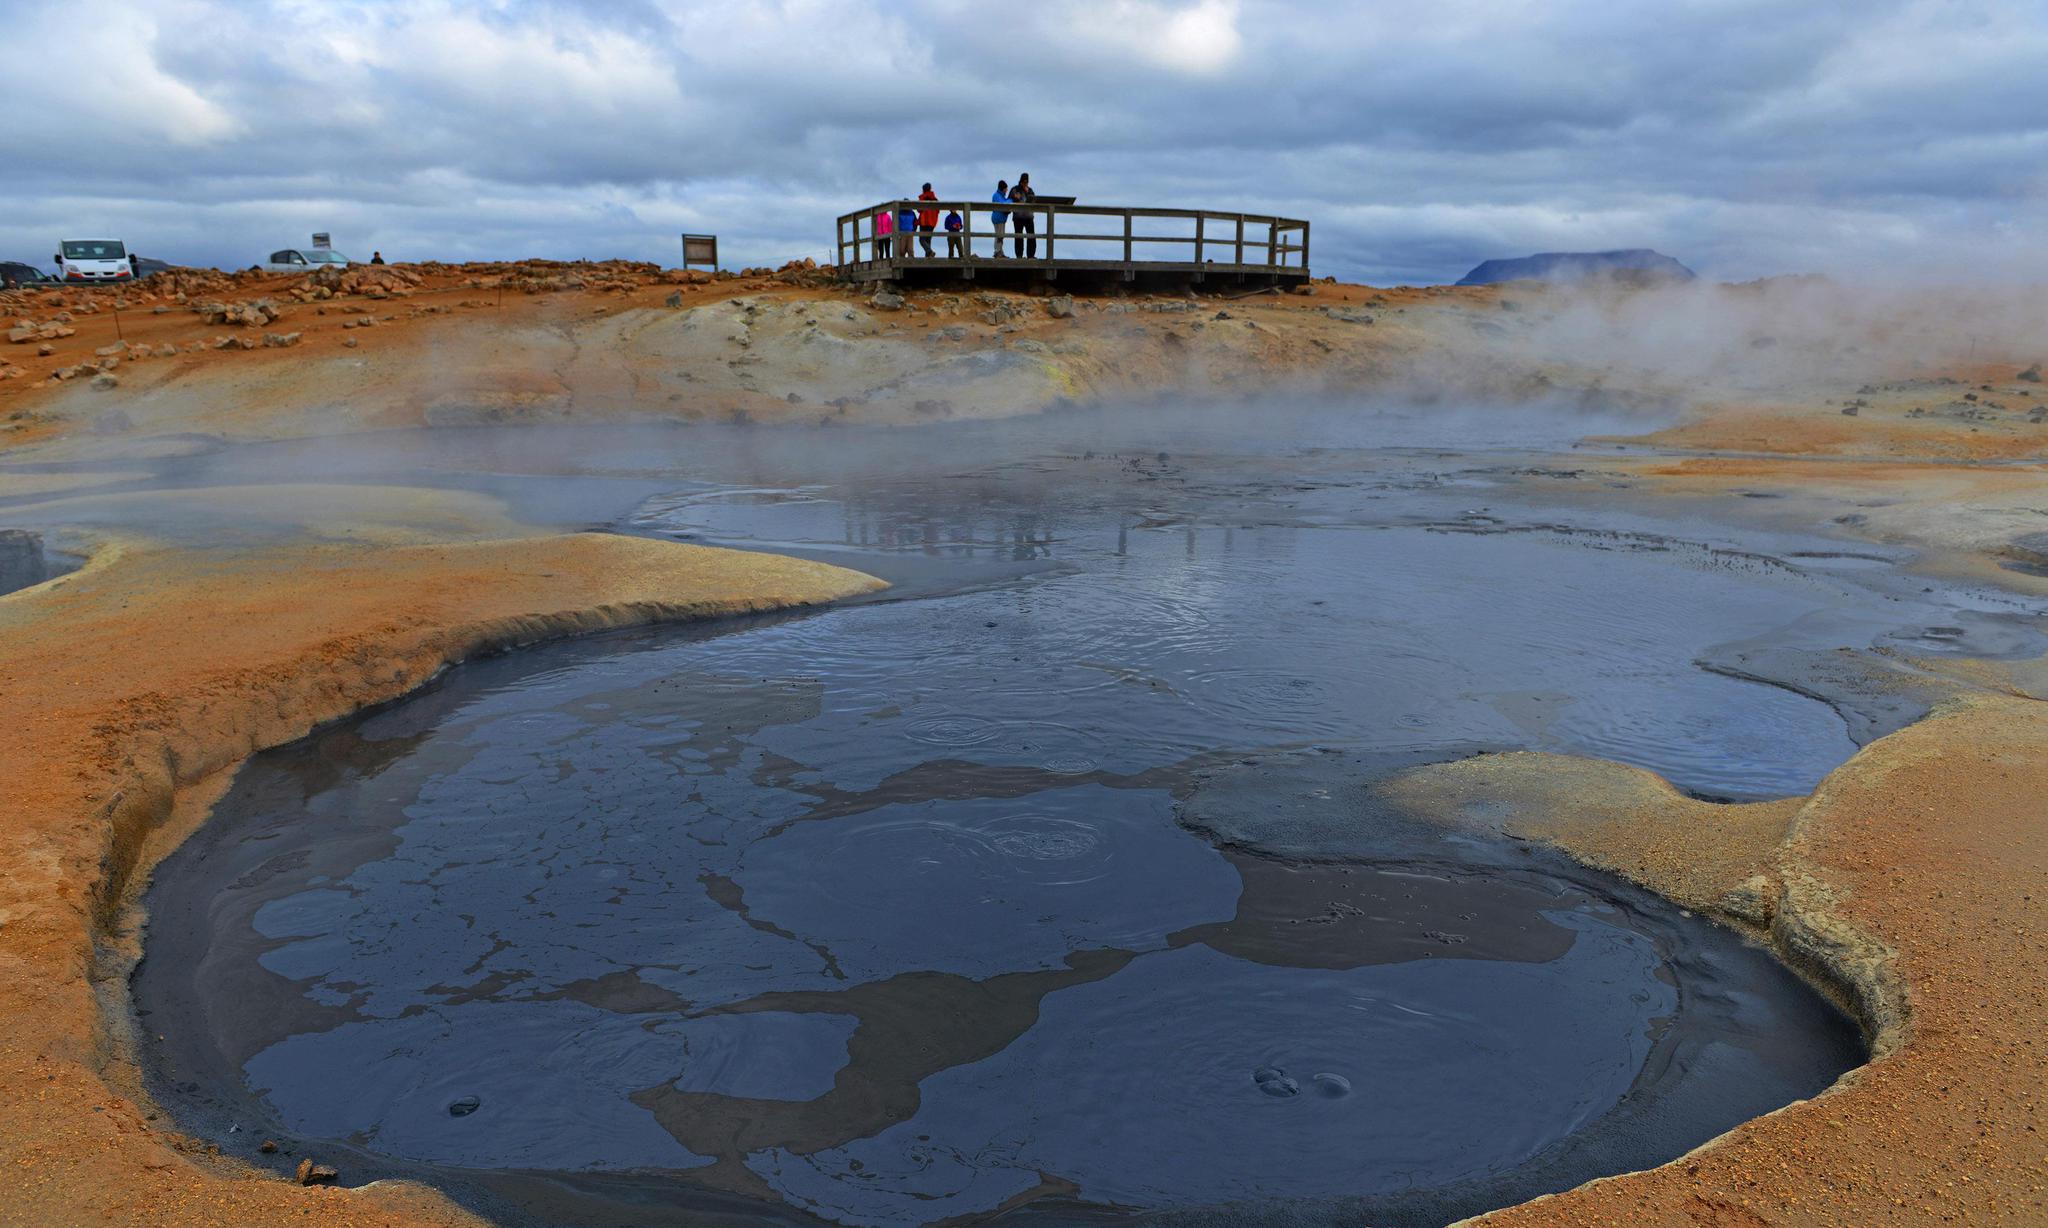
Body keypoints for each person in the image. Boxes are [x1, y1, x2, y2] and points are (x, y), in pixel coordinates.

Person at [1009, 173, 1037, 258]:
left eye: (1027, 182)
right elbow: (1009, 199)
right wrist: (1015, 197)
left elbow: (1034, 200)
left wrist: (1027, 192)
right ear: (1021, 181)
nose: (1025, 183)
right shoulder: (1015, 189)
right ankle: (1019, 255)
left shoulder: (1030, 190)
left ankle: (1031, 255)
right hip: (1018, 217)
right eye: (1024, 181)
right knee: (1018, 236)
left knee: (1031, 236)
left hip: (1029, 216)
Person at [917, 184, 939, 258]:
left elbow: (919, 210)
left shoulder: (922, 198)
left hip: (924, 221)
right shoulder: (935, 199)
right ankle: (928, 257)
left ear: (923, 189)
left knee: (922, 239)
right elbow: (938, 210)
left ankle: (929, 252)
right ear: (930, 189)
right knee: (928, 239)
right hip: (932, 221)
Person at [989, 179, 1010, 257]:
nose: (1007, 190)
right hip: (998, 218)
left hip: (1000, 219)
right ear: (1003, 188)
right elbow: (1003, 204)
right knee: (999, 235)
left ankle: (1000, 251)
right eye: (1006, 189)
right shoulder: (997, 195)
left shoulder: (1000, 195)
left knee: (1001, 235)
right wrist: (1011, 199)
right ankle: (997, 251)